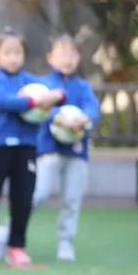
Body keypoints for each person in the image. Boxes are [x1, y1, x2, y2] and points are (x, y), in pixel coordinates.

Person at [0, 30, 64, 267]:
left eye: (17, 53)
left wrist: (57, 95)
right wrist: (34, 102)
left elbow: (54, 92)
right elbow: (3, 101)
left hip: (26, 147)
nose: (13, 58)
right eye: (7, 53)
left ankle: (16, 246)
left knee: (23, 199)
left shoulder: (30, 81)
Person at [34, 34, 100, 261]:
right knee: (38, 194)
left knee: (72, 199)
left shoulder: (83, 87)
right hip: (48, 150)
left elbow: (92, 110)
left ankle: (65, 242)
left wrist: (83, 119)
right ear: (50, 58)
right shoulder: (43, 85)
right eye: (62, 54)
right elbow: (38, 108)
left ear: (78, 57)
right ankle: (8, 234)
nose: (67, 59)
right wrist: (56, 116)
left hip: (77, 152)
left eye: (72, 54)